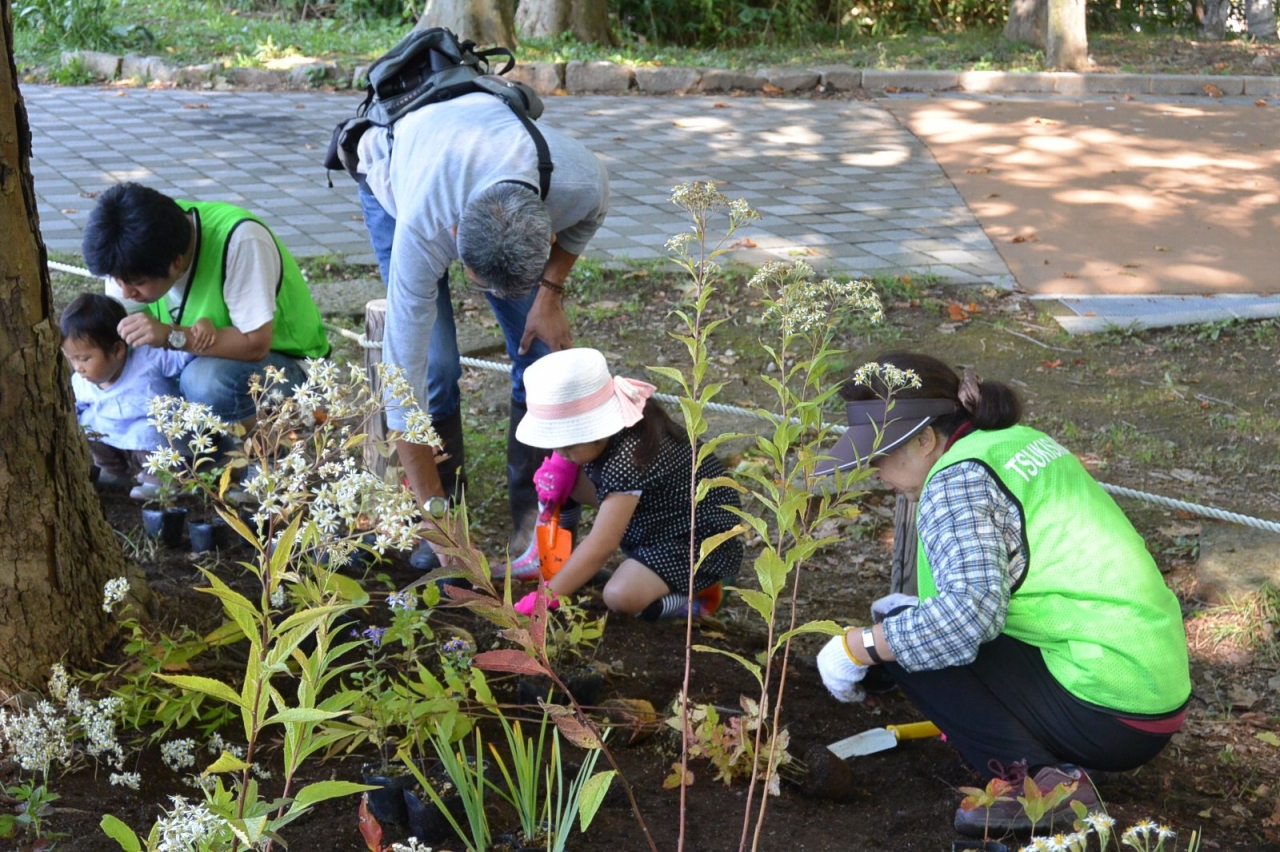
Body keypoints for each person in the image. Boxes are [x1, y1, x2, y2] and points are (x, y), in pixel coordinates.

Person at [814, 352, 1190, 836]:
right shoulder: (1012, 443)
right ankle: (1052, 762)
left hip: (1110, 711)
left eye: (881, 456)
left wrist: (857, 647)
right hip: (1148, 684)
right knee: (909, 633)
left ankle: (1040, 784)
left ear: (927, 439)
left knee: (908, 649)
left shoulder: (954, 481)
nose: (876, 472)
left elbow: (965, 619)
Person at [354, 93, 610, 569]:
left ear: (545, 229)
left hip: (484, 162)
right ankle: (443, 513)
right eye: (480, 282)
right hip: (395, 169)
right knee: (435, 366)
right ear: (454, 238)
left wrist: (549, 293)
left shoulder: (577, 181)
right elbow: (400, 389)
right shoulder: (423, 226)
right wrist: (436, 520)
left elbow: (592, 216)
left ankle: (534, 517)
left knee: (538, 360)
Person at [509, 348, 742, 620]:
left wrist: (545, 600)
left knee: (621, 597)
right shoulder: (617, 425)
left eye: (568, 445)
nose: (560, 452)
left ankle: (702, 592)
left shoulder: (629, 459)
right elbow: (575, 468)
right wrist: (565, 467)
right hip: (655, 512)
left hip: (693, 538)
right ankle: (561, 564)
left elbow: (602, 546)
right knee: (563, 483)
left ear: (595, 429)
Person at [81, 182, 330, 428]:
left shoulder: (240, 241)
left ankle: (264, 449)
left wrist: (172, 337)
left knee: (205, 383)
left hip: (289, 364)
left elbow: (256, 344)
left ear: (176, 263)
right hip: (196, 356)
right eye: (116, 280)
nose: (125, 292)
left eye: (138, 283)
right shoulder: (129, 247)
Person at [60, 293, 192, 500]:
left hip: (155, 442)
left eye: (84, 358)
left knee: (151, 430)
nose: (78, 368)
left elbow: (184, 354)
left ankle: (161, 480)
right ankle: (115, 472)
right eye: (72, 359)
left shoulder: (148, 357)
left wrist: (194, 335)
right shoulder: (80, 382)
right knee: (87, 424)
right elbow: (72, 410)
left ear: (117, 350)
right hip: (116, 442)